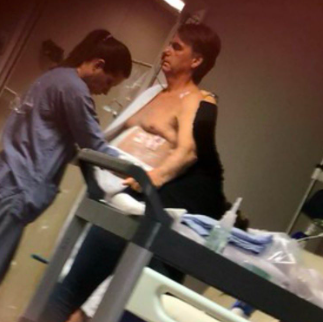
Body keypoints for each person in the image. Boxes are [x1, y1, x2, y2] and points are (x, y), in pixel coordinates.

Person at [0, 29, 132, 322]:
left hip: (5, 178)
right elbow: (95, 144)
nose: (106, 91)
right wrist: (140, 172)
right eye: (109, 82)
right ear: (97, 64)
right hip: (17, 186)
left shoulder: (54, 77)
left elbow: (53, 141)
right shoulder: (74, 89)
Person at [39, 23, 227, 322]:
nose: (166, 50)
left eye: (177, 47)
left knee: (91, 304)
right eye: (170, 44)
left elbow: (187, 151)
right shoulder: (153, 94)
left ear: (196, 60)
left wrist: (153, 179)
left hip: (141, 207)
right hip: (112, 199)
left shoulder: (197, 101)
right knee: (68, 290)